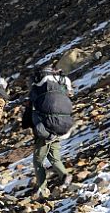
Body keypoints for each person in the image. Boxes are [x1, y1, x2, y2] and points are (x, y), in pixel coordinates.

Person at [24, 65, 74, 197]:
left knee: (38, 161)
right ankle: (65, 175)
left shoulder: (37, 87)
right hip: (62, 124)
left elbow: (32, 106)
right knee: (54, 156)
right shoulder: (60, 84)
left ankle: (42, 188)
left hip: (46, 127)